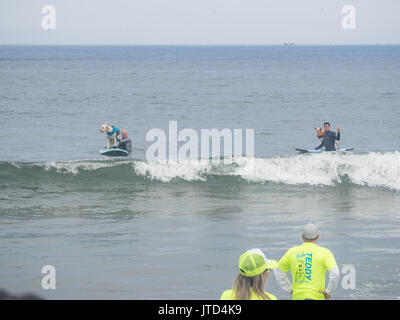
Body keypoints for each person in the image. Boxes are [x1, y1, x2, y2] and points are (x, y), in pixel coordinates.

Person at [274, 223, 340, 300]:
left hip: (297, 297)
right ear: (318, 236)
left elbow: (278, 270)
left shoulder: (291, 252)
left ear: (302, 236)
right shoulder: (325, 253)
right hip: (317, 297)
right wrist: (328, 291)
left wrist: (289, 289)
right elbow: (335, 273)